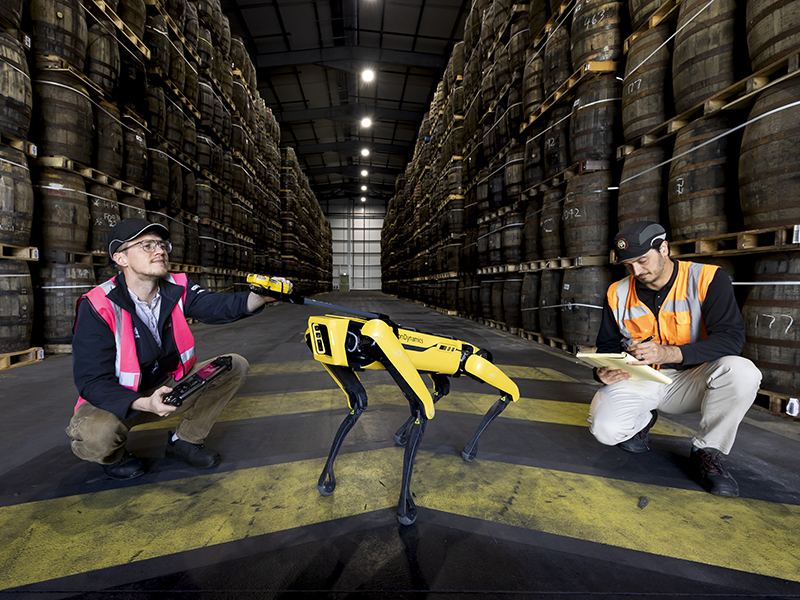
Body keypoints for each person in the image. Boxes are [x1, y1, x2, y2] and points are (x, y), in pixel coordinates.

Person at [67, 218, 291, 480]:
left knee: (233, 365)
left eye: (161, 244)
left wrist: (260, 296)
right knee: (96, 436)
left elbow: (217, 306)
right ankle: (115, 457)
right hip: (118, 399)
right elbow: (92, 381)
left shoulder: (176, 287)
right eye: (147, 245)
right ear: (121, 258)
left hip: (166, 385)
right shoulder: (98, 305)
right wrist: (143, 403)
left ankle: (184, 441)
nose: (159, 250)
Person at [588, 221, 761, 497]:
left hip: (695, 378)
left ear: (664, 248)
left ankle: (707, 451)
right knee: (605, 430)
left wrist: (672, 353)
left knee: (742, 372)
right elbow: (607, 346)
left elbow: (731, 339)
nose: (637, 271)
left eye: (643, 261)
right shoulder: (616, 292)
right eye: (629, 265)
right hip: (642, 377)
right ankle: (642, 421)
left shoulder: (708, 279)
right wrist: (601, 372)